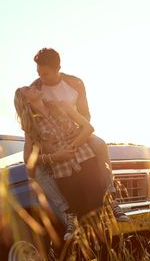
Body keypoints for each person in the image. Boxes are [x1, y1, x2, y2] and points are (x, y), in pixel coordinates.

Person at [29, 47, 129, 222]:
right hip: (52, 138)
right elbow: (33, 121)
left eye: (46, 74)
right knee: (39, 171)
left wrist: (74, 137)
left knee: (100, 144)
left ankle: (112, 197)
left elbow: (85, 114)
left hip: (76, 131)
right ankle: (67, 214)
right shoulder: (35, 87)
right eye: (39, 73)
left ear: (57, 69)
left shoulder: (75, 83)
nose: (41, 78)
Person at [14, 85, 106, 239]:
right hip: (64, 174)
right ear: (26, 101)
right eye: (28, 89)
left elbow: (88, 127)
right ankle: (98, 258)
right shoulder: (31, 127)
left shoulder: (62, 106)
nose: (33, 87)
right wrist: (56, 157)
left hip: (86, 161)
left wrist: (71, 147)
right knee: (84, 218)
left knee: (98, 212)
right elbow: (27, 159)